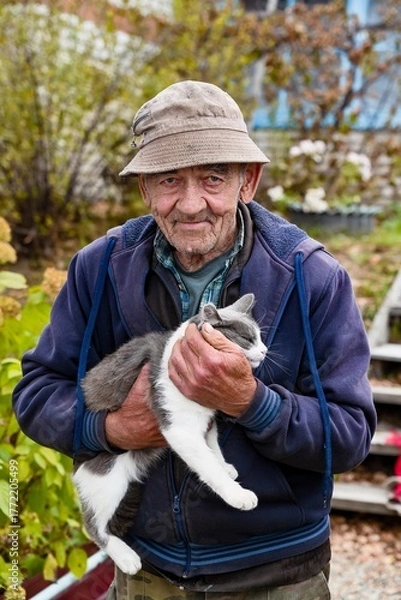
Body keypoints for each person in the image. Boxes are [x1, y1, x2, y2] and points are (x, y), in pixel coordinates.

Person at [13, 80, 376, 600]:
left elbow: (349, 434)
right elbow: (35, 394)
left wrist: (251, 402)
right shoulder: (100, 268)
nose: (189, 204)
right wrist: (113, 427)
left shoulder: (310, 276)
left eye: (211, 178)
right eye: (167, 179)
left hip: (275, 575)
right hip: (146, 574)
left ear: (247, 182)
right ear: (144, 189)